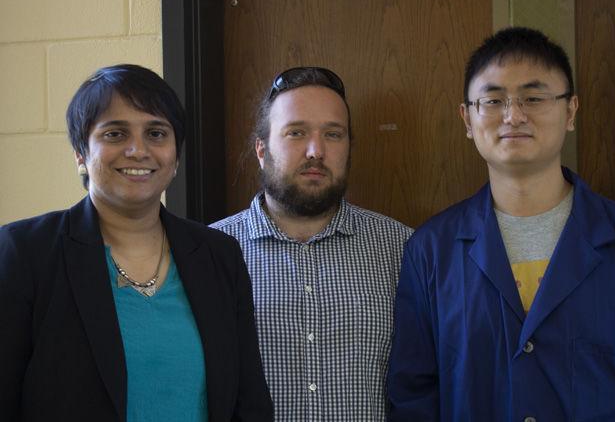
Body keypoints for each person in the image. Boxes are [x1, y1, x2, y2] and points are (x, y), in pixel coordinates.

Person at [387, 27, 615, 421]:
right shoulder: (431, 250)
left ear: (571, 111)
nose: (513, 115)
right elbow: (414, 397)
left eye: (534, 98)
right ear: (466, 118)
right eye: (493, 100)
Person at [0, 64, 273, 421]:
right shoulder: (24, 253)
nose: (138, 150)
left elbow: (248, 402)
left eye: (157, 134)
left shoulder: (218, 255)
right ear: (81, 153)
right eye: (115, 134)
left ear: (175, 157)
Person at [210, 67, 412, 421]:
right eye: (296, 132)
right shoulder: (209, 253)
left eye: (333, 134)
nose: (316, 150)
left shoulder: (403, 248)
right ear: (261, 149)